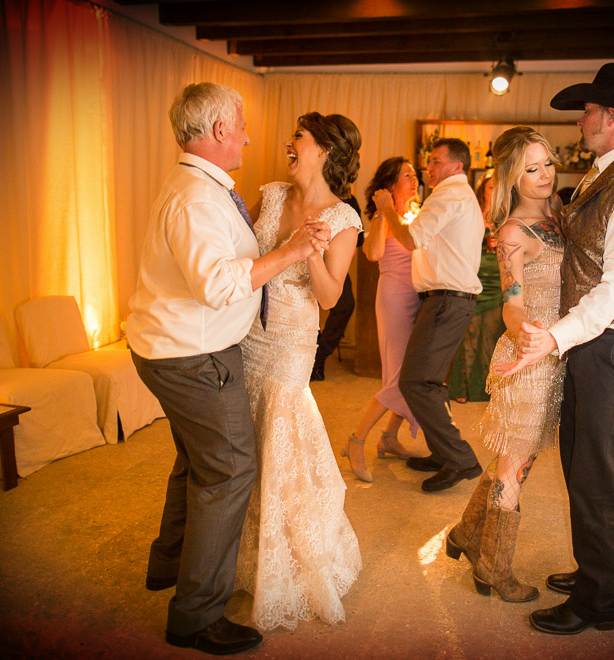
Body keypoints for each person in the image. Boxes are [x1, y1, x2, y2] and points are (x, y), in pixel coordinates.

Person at [127, 83, 329, 656]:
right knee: (231, 470)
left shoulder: (202, 185)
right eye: (240, 125)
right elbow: (218, 286)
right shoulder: (197, 197)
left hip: (174, 345)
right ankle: (194, 615)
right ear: (218, 131)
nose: (247, 135)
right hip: (193, 355)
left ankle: (168, 562)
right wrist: (290, 251)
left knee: (196, 459)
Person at [500, 63, 614, 634]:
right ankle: (602, 571)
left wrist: (553, 337)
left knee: (597, 478)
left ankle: (598, 602)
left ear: (609, 116)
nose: (579, 121)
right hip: (598, 347)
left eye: (586, 111)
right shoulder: (607, 174)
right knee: (583, 468)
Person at [235, 112, 363, 631]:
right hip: (246, 335)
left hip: (290, 342)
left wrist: (309, 250)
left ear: (324, 152)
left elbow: (332, 296)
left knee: (281, 445)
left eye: (299, 138)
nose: (289, 145)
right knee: (244, 443)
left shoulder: (344, 218)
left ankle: (290, 563)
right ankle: (238, 558)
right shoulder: (268, 195)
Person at [446, 127, 565, 603]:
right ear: (513, 177)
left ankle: (463, 535)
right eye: (531, 169)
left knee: (515, 462)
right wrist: (523, 335)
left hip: (554, 353)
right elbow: (512, 301)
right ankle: (494, 570)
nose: (544, 176)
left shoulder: (557, 216)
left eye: (548, 163)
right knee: (516, 467)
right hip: (528, 357)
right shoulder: (514, 232)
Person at [373, 138, 484, 493]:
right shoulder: (452, 194)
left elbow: (411, 238)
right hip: (444, 300)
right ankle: (442, 453)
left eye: (435, 161)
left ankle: (461, 458)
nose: (428, 168)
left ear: (456, 165)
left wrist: (387, 208)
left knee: (415, 382)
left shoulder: (450, 193)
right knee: (426, 382)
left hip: (448, 301)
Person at [344, 157, 423, 482]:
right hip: (393, 298)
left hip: (417, 296)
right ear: (390, 183)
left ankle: (389, 436)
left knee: (411, 373)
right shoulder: (385, 217)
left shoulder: (415, 213)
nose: (415, 179)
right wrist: (381, 210)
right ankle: (357, 440)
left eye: (415, 174)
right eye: (408, 175)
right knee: (399, 377)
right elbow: (373, 253)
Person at [447, 170, 508, 403]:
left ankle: (484, 389)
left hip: (498, 278)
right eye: (490, 187)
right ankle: (461, 388)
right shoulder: (474, 213)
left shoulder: (507, 216)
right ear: (483, 190)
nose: (494, 192)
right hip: (475, 276)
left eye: (497, 188)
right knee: (469, 333)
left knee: (491, 335)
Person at [310, 195, 362, 381]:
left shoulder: (349, 202)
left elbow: (357, 241)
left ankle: (320, 355)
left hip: (333, 262)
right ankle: (309, 353)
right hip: (299, 257)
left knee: (345, 305)